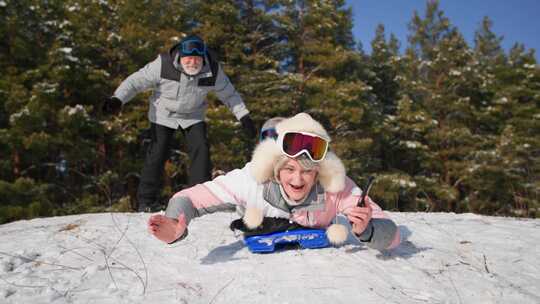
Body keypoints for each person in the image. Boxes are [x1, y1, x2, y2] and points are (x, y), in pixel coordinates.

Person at [148, 113, 400, 251]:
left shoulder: (337, 187)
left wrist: (367, 229)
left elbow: (394, 236)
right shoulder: (249, 180)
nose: (297, 179)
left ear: (319, 172)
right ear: (274, 170)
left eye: (307, 171)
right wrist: (174, 224)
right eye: (288, 168)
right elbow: (189, 197)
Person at [103, 34, 257, 212]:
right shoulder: (163, 65)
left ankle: (200, 200)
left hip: (193, 115)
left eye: (196, 58)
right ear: (181, 57)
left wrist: (244, 116)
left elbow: (230, 94)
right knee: (157, 152)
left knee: (201, 150)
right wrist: (118, 99)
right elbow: (135, 82)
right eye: (188, 58)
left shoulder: (212, 70)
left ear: (203, 58)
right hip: (163, 114)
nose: (192, 62)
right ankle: (146, 201)